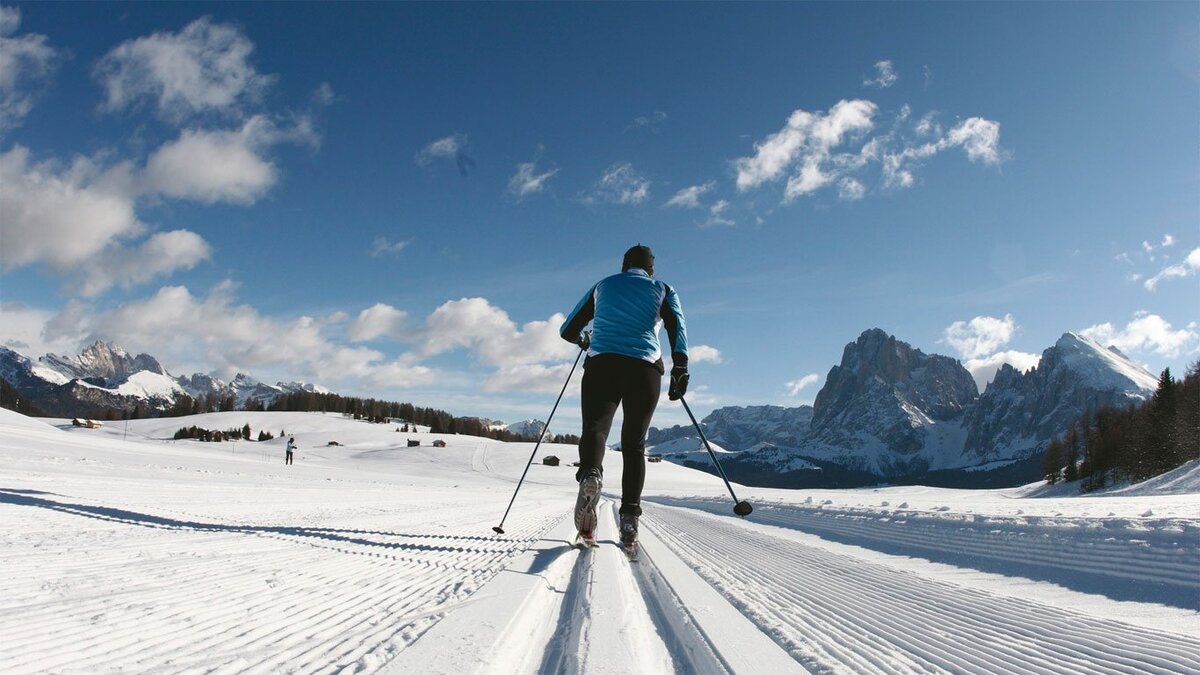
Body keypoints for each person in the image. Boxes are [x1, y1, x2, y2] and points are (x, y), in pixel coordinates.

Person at [559, 244, 689, 553]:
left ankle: (591, 474)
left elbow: (567, 329)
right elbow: (677, 327)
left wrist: (584, 339)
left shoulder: (603, 286)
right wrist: (680, 367)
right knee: (634, 444)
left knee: (595, 429)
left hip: (602, 364)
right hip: (645, 369)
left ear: (624, 265)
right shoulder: (663, 288)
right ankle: (629, 520)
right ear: (650, 269)